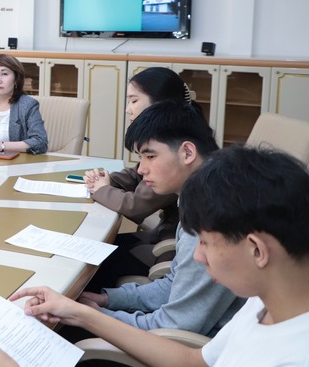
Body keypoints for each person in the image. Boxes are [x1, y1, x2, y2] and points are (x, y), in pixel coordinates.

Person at [0, 145, 309, 367]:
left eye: (206, 243)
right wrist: (81, 313)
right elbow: (195, 365)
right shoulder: (268, 302)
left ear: (257, 250)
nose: (198, 257)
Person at [76, 101, 243, 337]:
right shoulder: (204, 193)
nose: (141, 169)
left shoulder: (211, 216)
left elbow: (175, 326)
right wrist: (107, 299)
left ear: (187, 153)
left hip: (198, 347)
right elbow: (174, 284)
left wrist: (95, 317)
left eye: (150, 156)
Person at [83, 67, 201, 289]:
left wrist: (102, 189)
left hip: (168, 249)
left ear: (160, 103)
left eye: (134, 100)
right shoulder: (177, 135)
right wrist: (108, 180)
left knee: (90, 266)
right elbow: (138, 173)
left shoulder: (176, 152)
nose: (128, 109)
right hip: (163, 239)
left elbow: (135, 206)